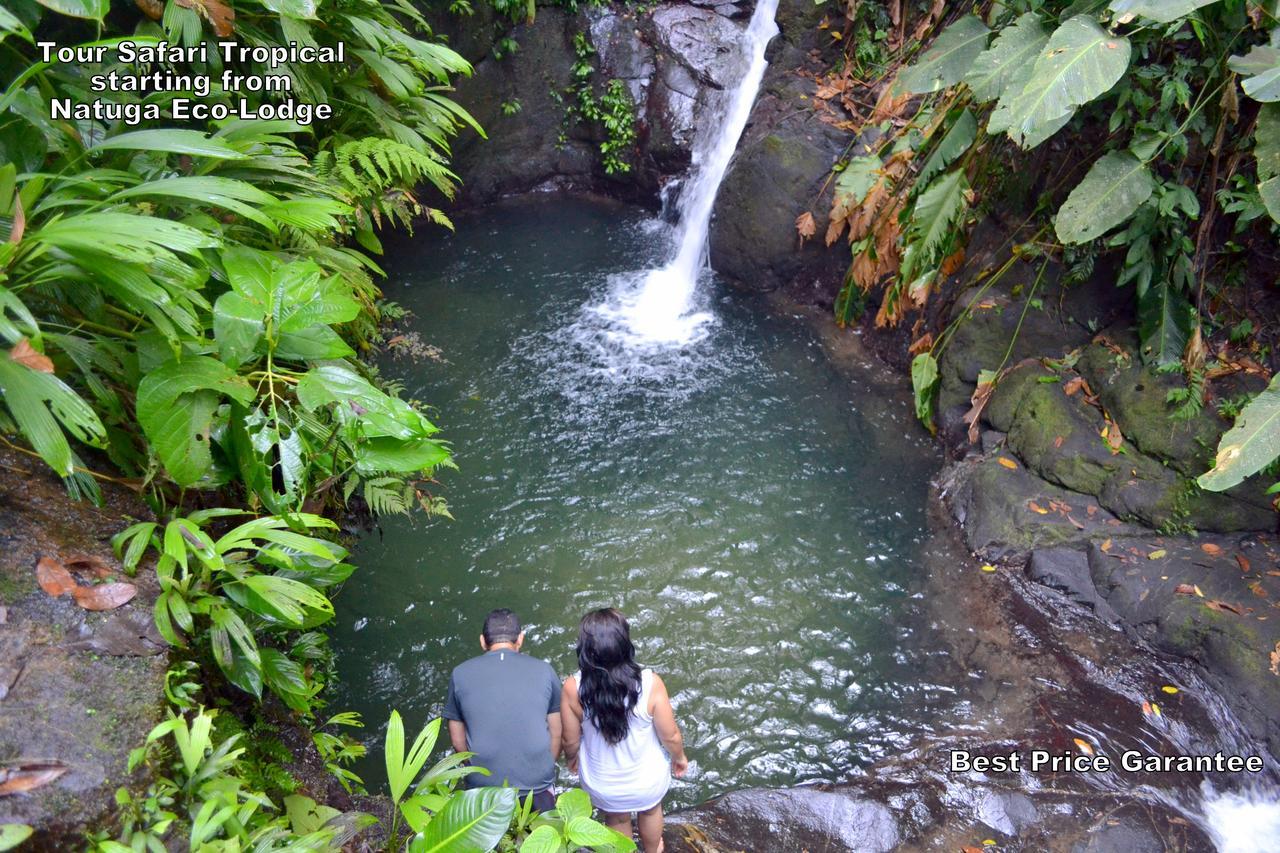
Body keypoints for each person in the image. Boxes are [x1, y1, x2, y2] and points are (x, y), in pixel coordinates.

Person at [561, 608, 688, 852]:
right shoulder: (650, 683)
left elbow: (570, 739)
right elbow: (670, 735)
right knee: (651, 811)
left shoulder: (572, 687)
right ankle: (653, 850)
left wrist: (572, 760)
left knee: (617, 818)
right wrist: (679, 757)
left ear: (585, 650)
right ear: (625, 643)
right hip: (646, 782)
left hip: (604, 785)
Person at [443, 608, 562, 812]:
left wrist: (475, 771)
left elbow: (457, 740)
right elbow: (557, 732)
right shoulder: (545, 670)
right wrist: (543, 767)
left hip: (484, 789)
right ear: (521, 639)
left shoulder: (460, 673)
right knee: (541, 839)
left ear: (482, 641)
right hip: (537, 786)